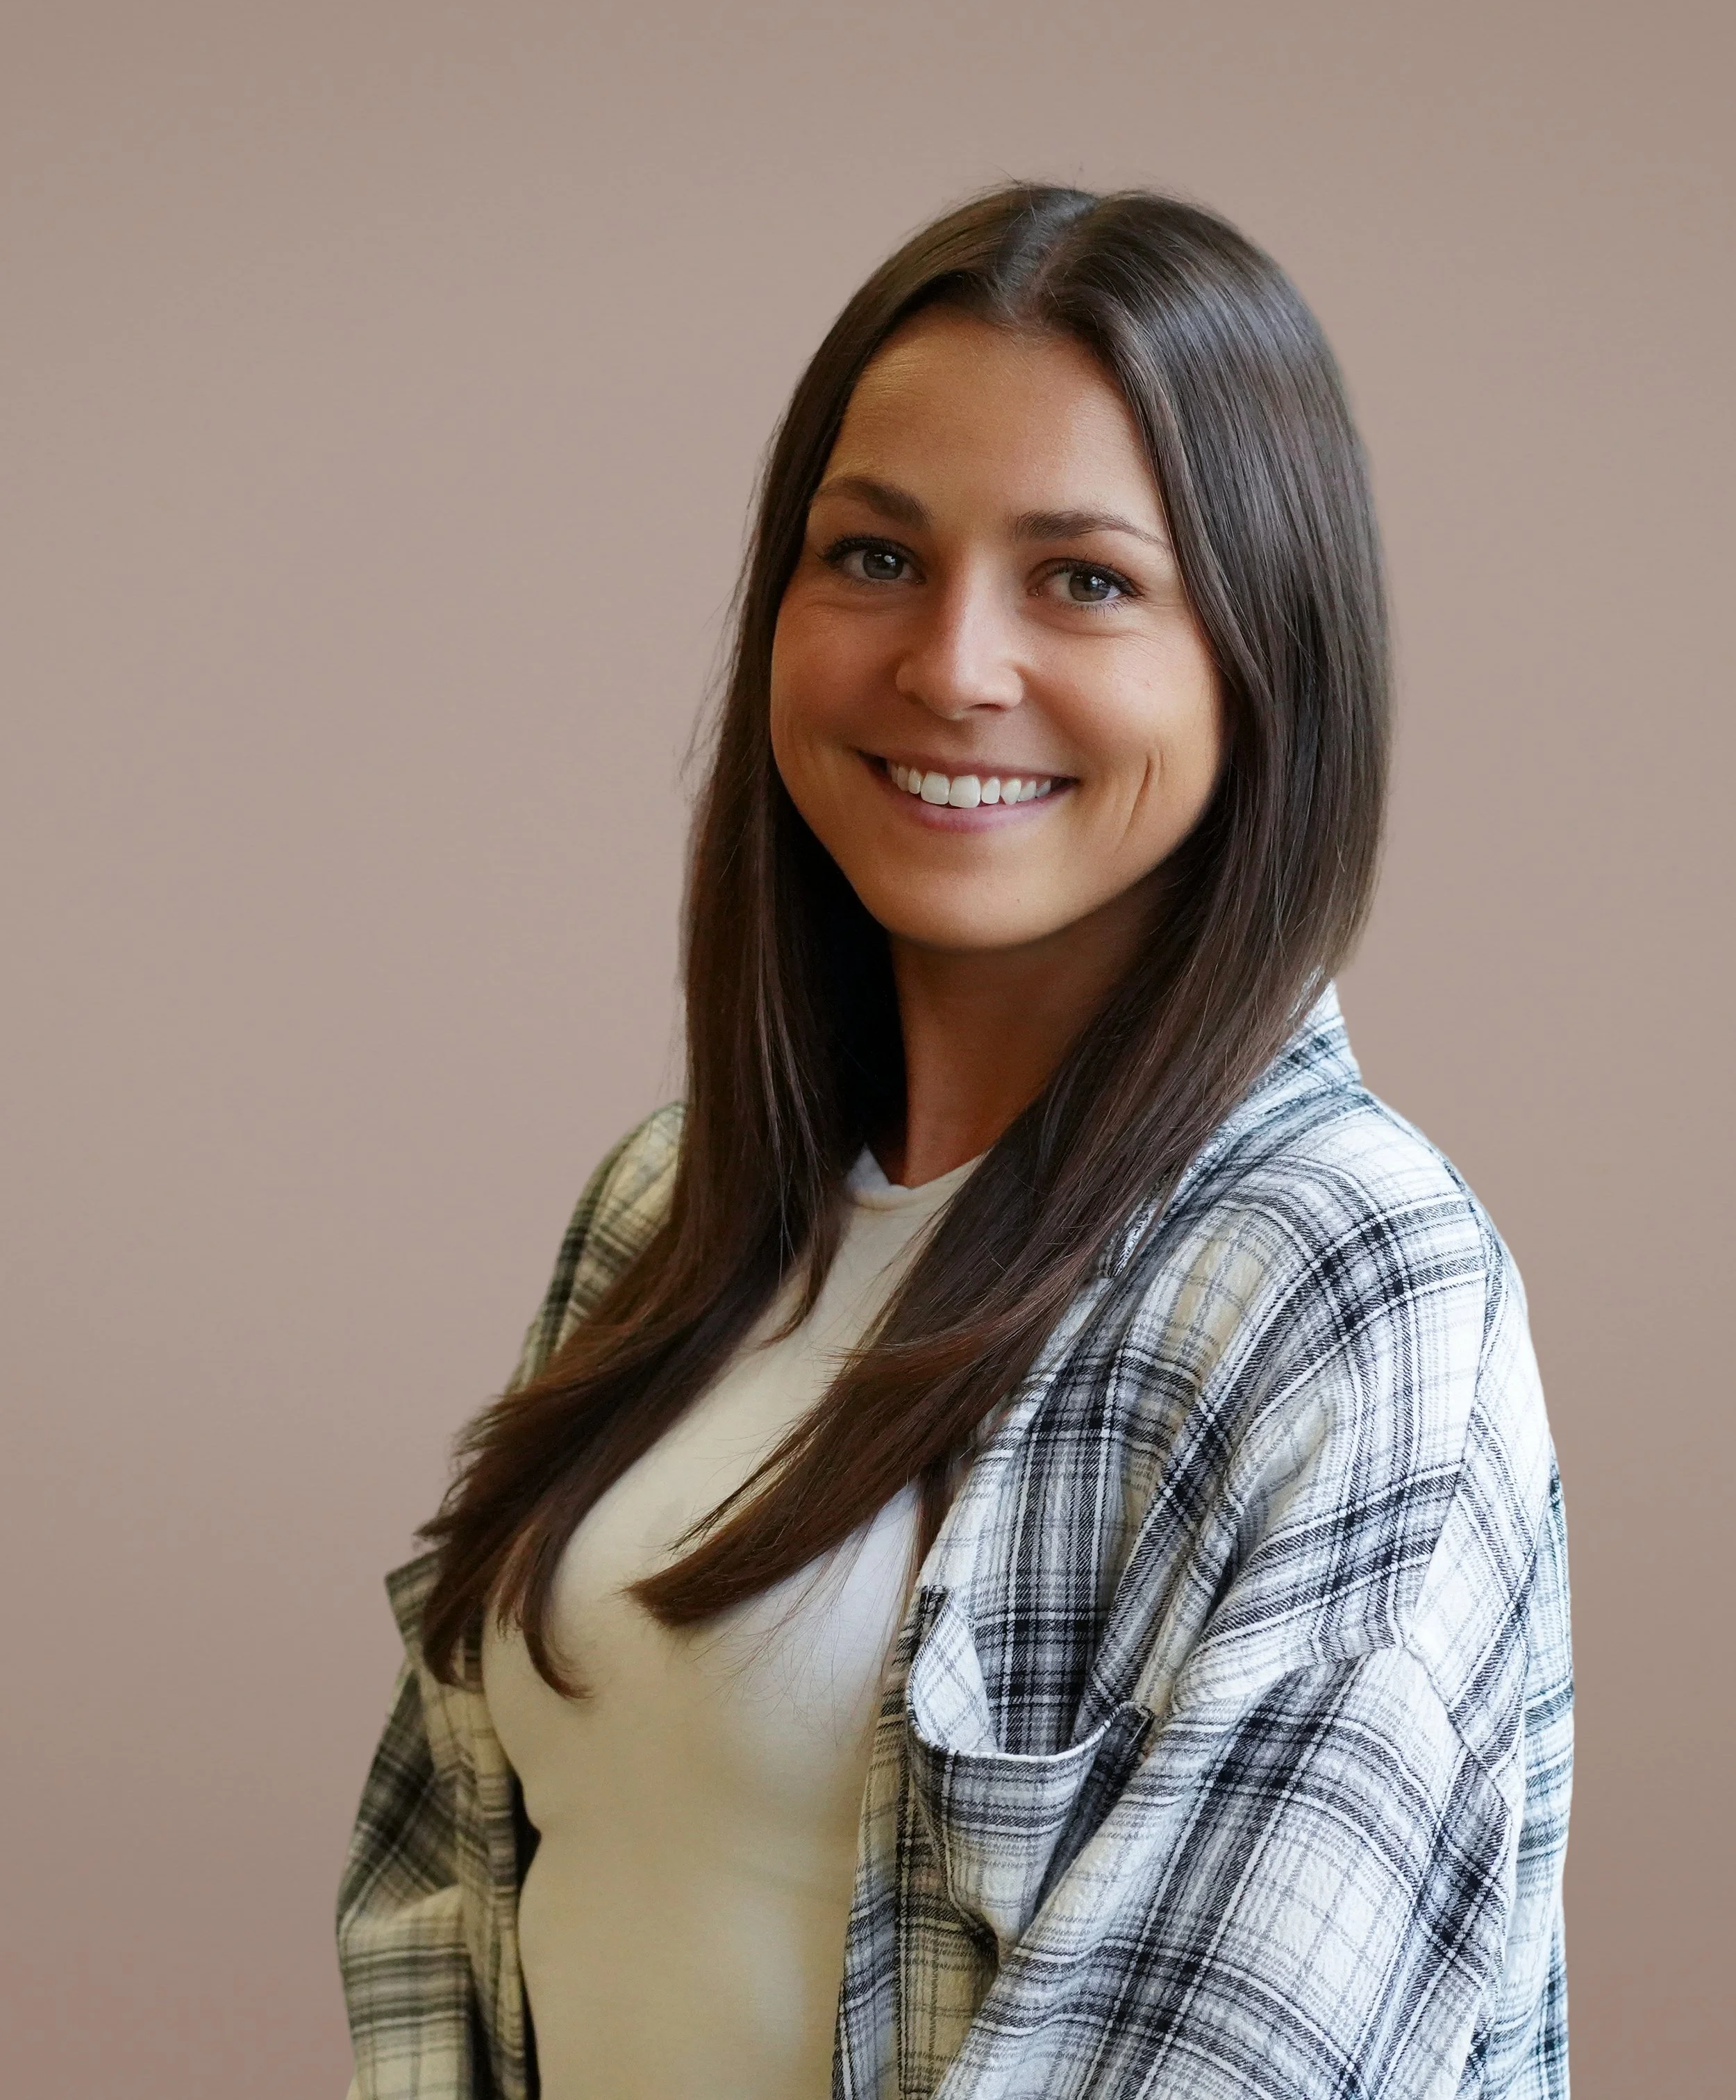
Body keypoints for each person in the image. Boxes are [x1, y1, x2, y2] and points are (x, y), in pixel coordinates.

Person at [336, 184, 1571, 2100]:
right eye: (873, 556)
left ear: (1263, 662)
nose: (951, 665)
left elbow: (1229, 2059)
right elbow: (440, 1887)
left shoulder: (1342, 1279)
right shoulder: (668, 1209)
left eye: (1081, 578)